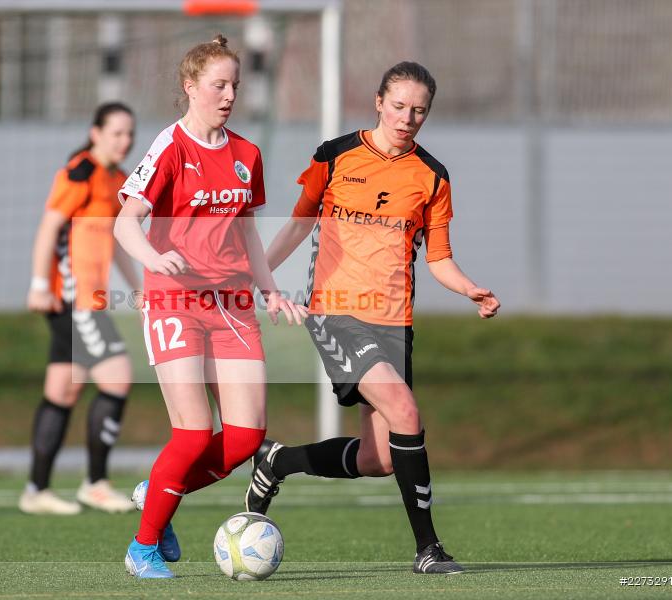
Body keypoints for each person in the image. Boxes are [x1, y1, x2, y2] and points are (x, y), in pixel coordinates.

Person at [245, 61, 501, 574]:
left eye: (420, 111)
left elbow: (438, 258)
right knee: (405, 411)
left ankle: (277, 461)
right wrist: (254, 274)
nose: (408, 118)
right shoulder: (335, 156)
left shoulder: (432, 176)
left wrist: (469, 287)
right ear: (379, 101)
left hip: (394, 322)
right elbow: (298, 226)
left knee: (378, 459)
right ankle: (428, 549)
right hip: (337, 313)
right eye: (400, 106)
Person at [113, 35, 306, 579]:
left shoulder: (247, 155)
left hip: (232, 305)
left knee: (245, 435)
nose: (228, 96)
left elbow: (246, 234)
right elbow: (125, 222)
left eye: (235, 86)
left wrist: (269, 290)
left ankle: (160, 492)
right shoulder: (170, 146)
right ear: (190, 86)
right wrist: (155, 254)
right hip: (174, 299)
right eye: (218, 85)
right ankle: (143, 547)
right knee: (194, 434)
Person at [20, 102, 143, 515]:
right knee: (118, 377)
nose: (124, 141)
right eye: (116, 133)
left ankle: (36, 490)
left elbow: (117, 241)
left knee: (62, 390)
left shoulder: (119, 179)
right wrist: (39, 285)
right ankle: (96, 483)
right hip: (74, 299)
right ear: (96, 133)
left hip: (88, 300)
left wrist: (139, 290)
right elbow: (49, 228)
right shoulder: (81, 171)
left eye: (129, 134)